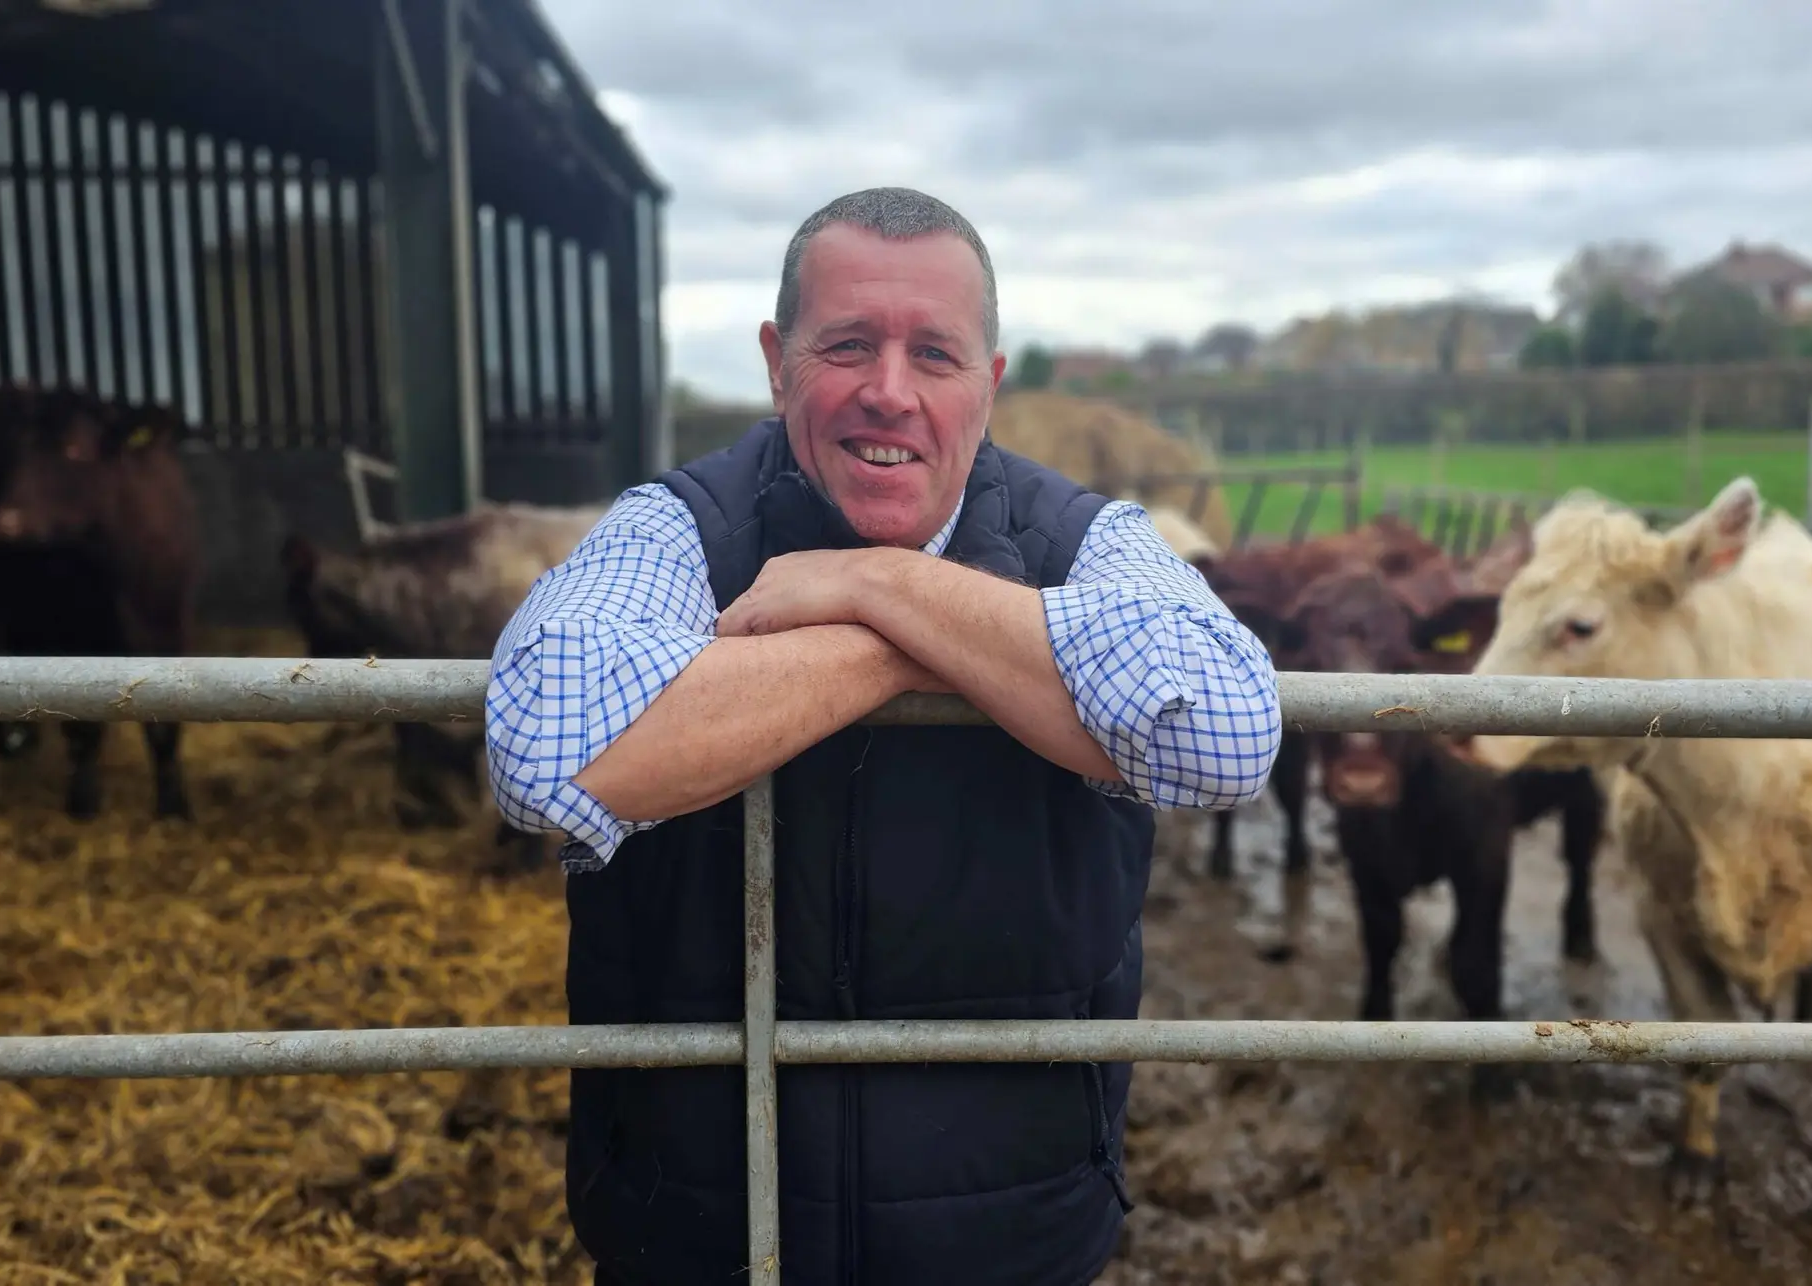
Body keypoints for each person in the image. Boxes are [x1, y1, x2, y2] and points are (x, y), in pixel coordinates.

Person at [485, 186, 1283, 1286]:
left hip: (1007, 1238)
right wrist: (937, 634)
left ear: (991, 384)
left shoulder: (1086, 536)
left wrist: (875, 585)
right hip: (705, 1235)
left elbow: (1231, 733)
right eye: (847, 344)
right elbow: (546, 754)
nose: (890, 393)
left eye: (937, 354)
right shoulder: (681, 524)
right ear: (777, 360)